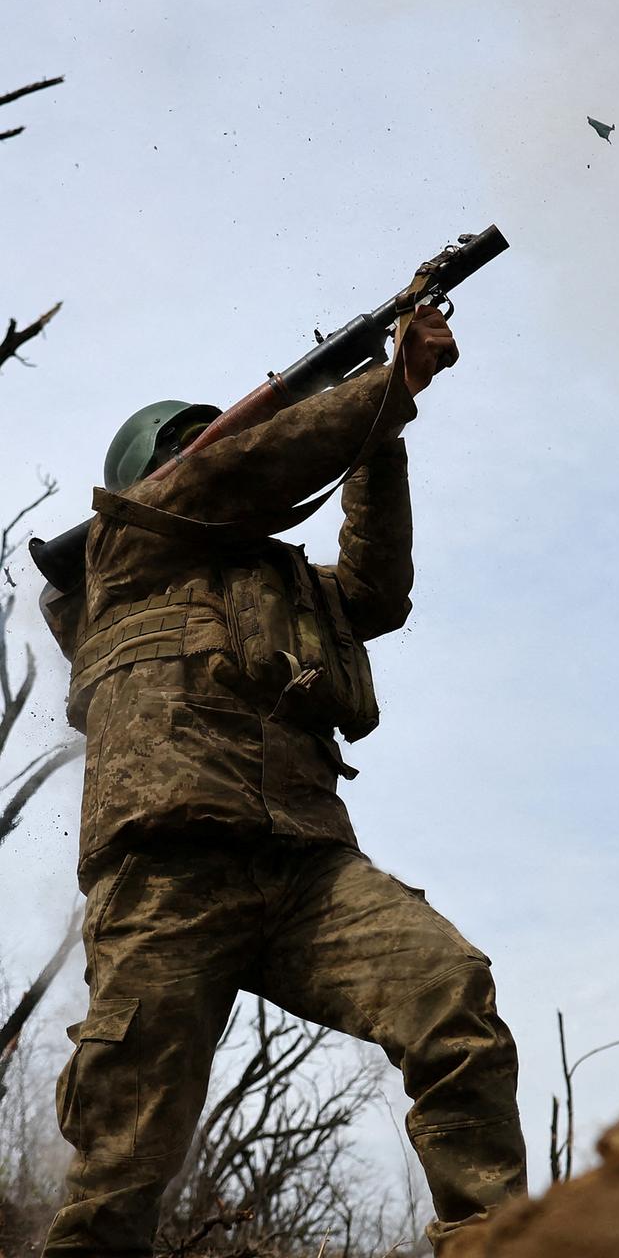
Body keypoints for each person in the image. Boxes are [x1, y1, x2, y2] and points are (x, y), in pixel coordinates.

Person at [37, 306, 527, 1256]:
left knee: (448, 991)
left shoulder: (287, 583)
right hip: (167, 876)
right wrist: (385, 389)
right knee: (121, 1161)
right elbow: (232, 474)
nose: (242, 451)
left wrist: (380, 435)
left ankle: (501, 1243)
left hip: (305, 866)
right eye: (197, 450)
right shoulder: (124, 551)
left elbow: (378, 592)